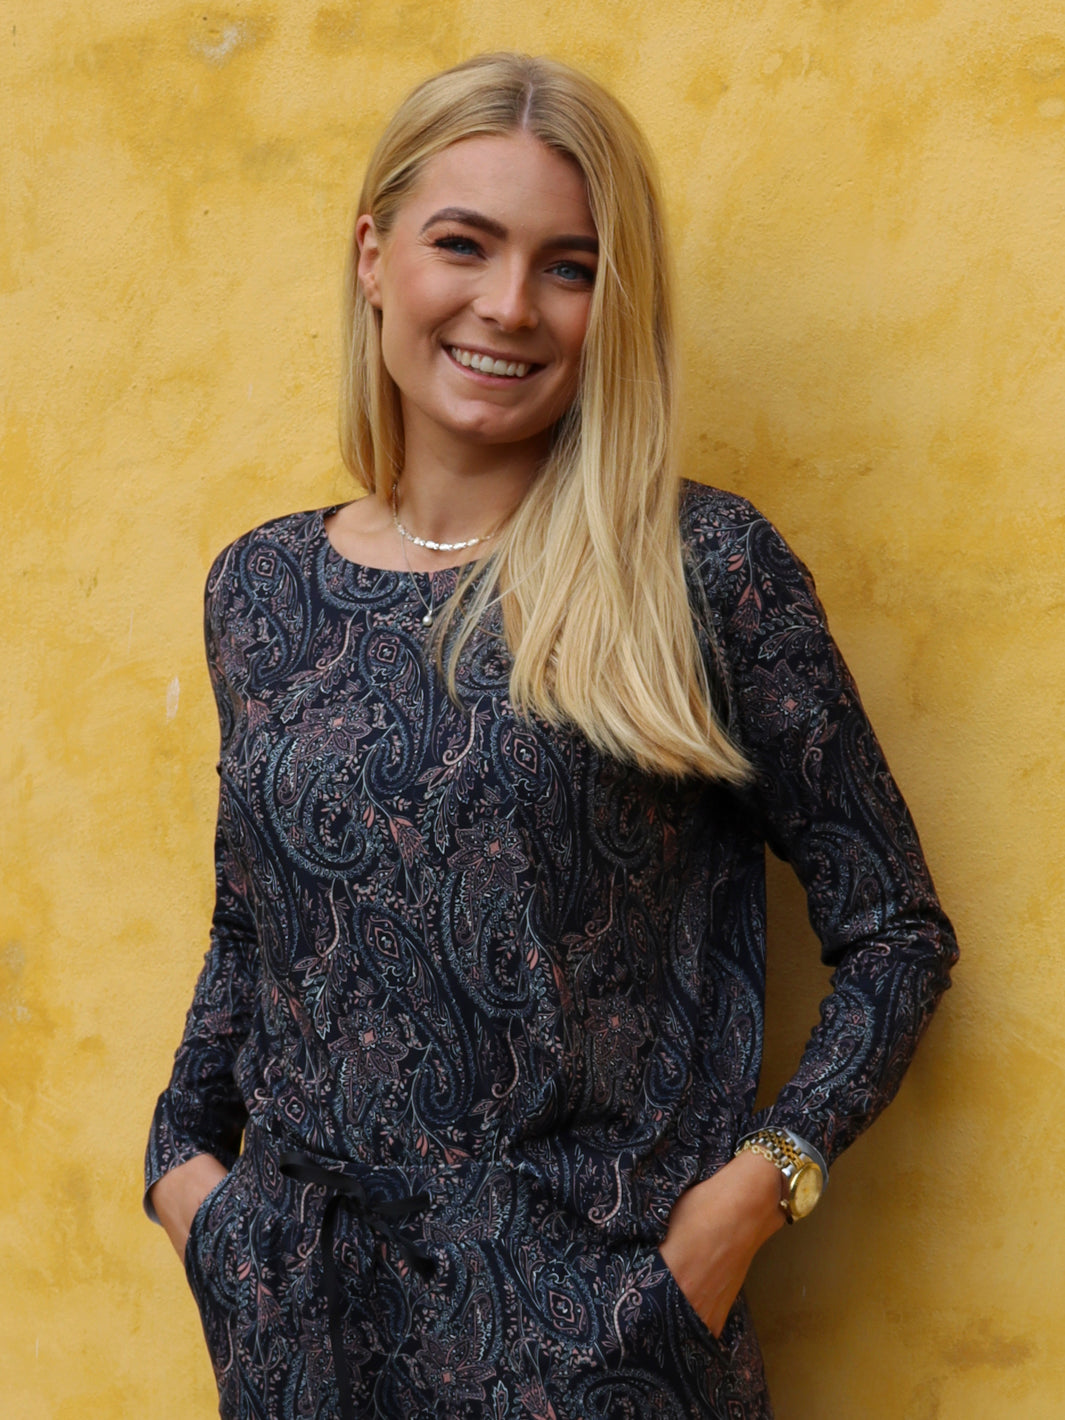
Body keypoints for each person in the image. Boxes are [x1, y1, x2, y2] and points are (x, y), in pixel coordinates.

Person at [145, 52, 958, 1420]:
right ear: (375, 258)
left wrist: (751, 1200)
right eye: (464, 244)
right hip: (305, 1345)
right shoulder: (261, 587)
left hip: (593, 1348)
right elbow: (252, 926)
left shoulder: (696, 571)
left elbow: (895, 932)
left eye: (569, 267)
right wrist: (185, 1174)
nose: (510, 305)